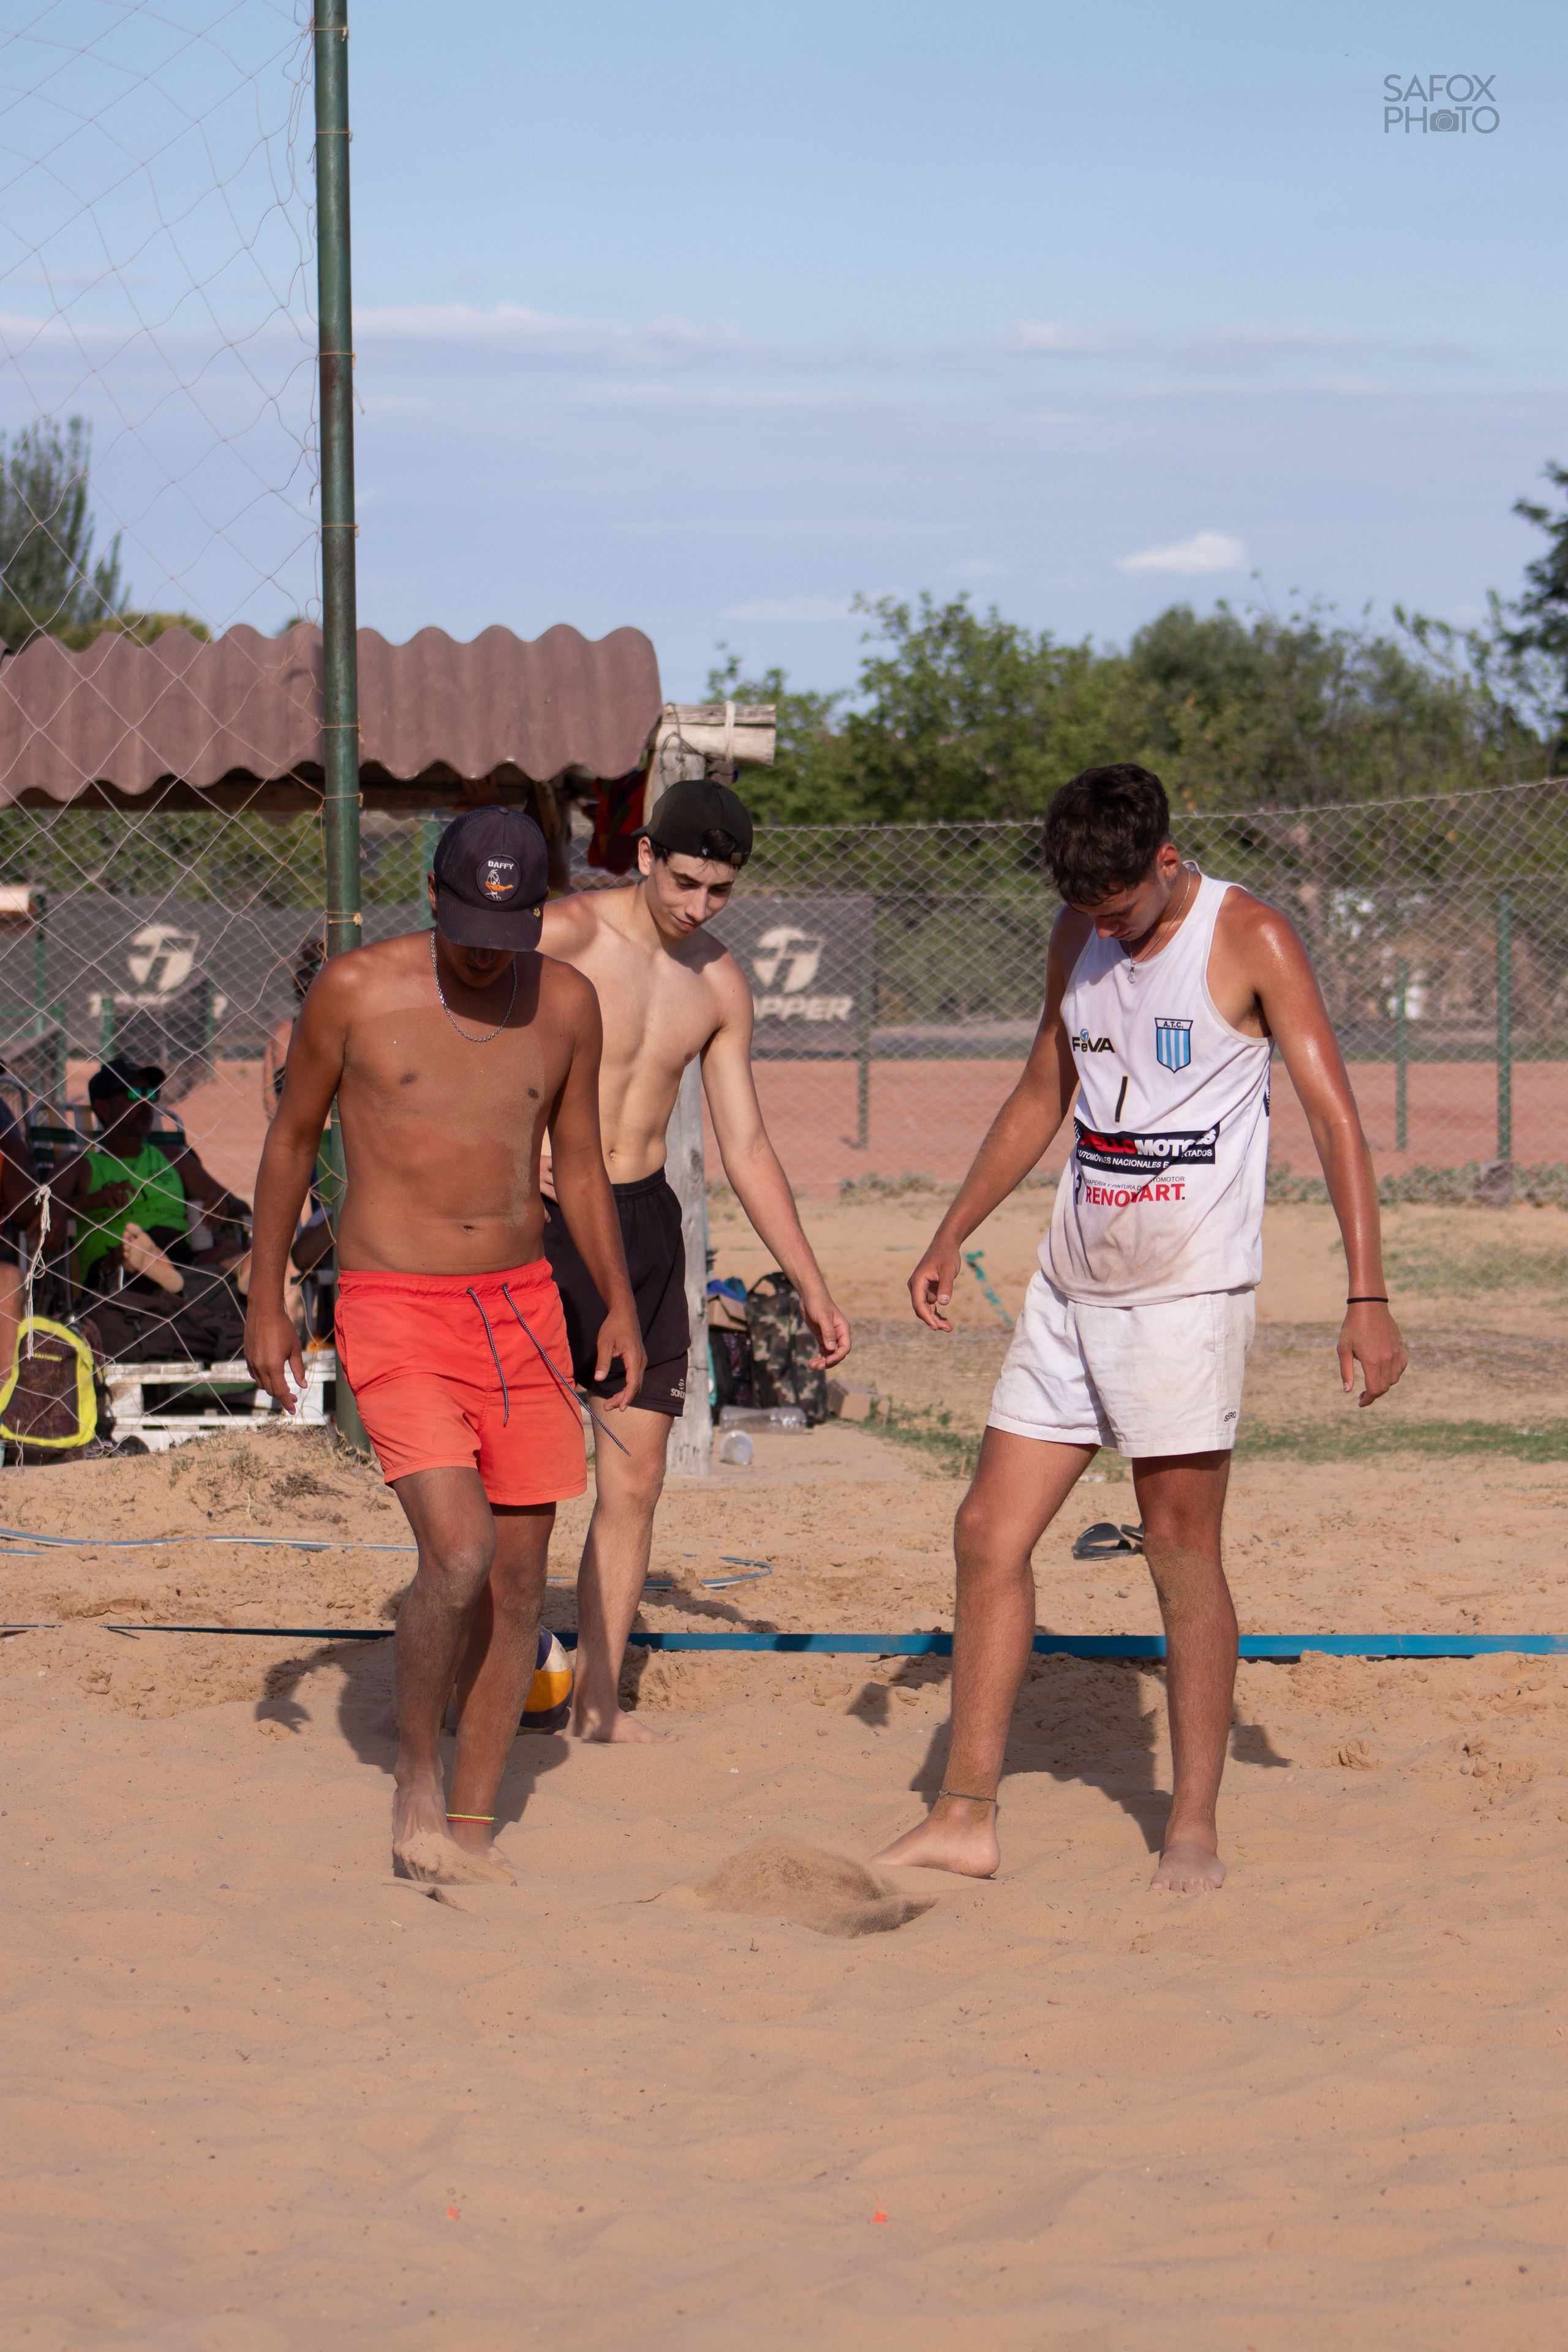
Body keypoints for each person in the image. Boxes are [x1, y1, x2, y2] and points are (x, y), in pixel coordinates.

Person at [876, 764, 1408, 1893]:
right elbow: (1040, 1092)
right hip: (1070, 1289)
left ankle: (1193, 1826)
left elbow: (1337, 1116)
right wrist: (948, 1231)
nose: (1103, 922)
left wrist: (1368, 1294)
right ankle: (966, 1815)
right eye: (1087, 906)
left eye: (1118, 902)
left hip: (1185, 1296)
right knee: (987, 1533)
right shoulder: (1079, 935)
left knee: (1178, 1551)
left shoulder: (1250, 936)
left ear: (1167, 859)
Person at [244, 807, 644, 1885]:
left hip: (520, 1306)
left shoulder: (565, 1003)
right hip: (392, 1300)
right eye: (468, 921)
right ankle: (416, 1777)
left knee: (519, 1583)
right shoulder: (356, 992)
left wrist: (615, 1299)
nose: (483, 949)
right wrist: (266, 1293)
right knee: (458, 1553)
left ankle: (470, 1830)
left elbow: (586, 1164)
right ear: (431, 893)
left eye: (506, 928)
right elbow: (289, 1143)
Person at [538, 778, 851, 1743]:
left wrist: (808, 1278)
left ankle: (595, 1697)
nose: (698, 907)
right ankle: (492, 1659)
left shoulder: (718, 982)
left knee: (634, 1479)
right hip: (534, 1220)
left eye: (719, 892)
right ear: (641, 856)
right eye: (684, 882)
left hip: (639, 1222)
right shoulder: (559, 936)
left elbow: (745, 1145)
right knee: (514, 1475)